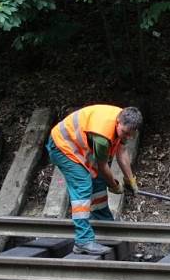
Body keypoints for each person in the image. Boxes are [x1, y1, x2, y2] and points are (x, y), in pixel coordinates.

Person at [46, 104, 142, 255]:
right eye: (124, 133)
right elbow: (103, 166)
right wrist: (115, 185)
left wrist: (130, 180)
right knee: (83, 185)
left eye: (130, 135)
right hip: (62, 146)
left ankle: (103, 222)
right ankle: (83, 241)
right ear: (118, 122)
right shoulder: (103, 136)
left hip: (79, 147)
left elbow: (122, 152)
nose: (127, 137)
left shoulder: (125, 122)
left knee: (96, 179)